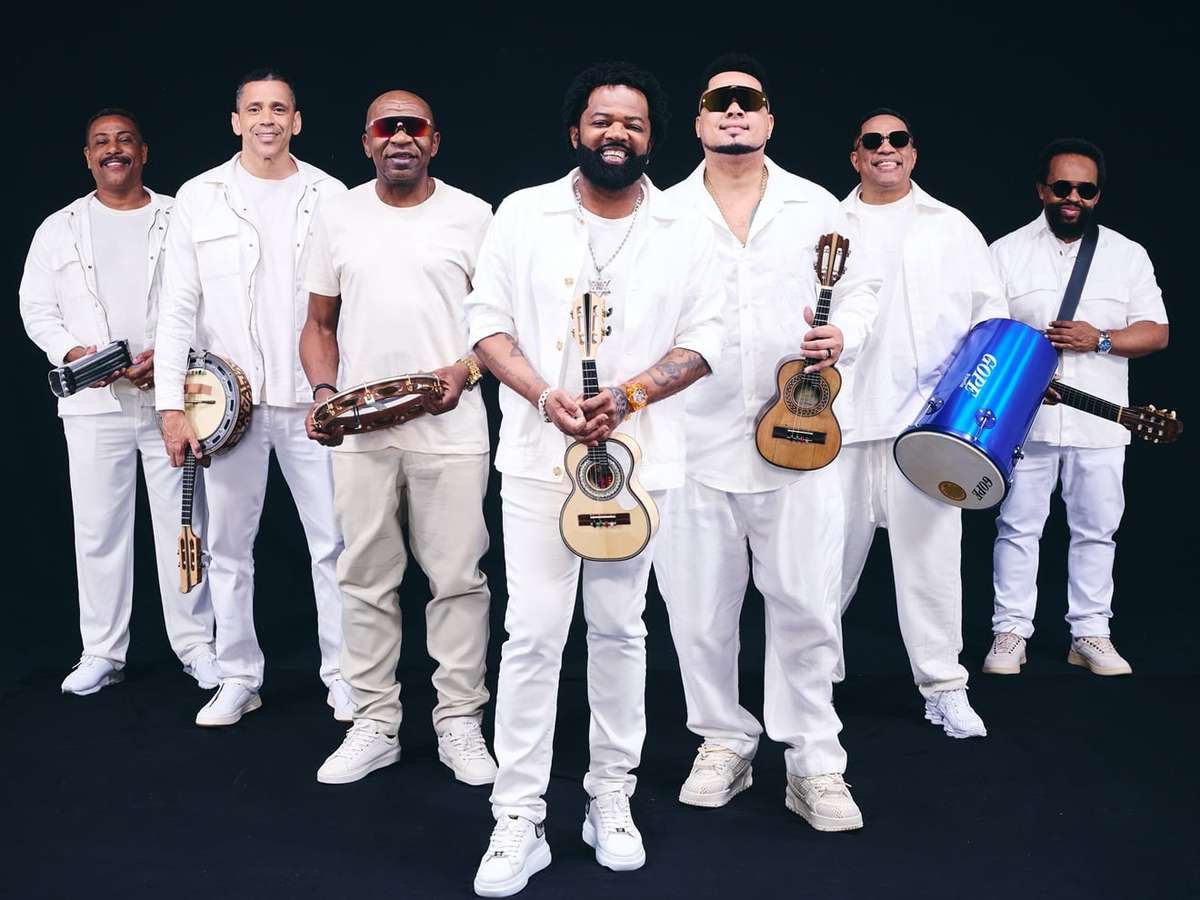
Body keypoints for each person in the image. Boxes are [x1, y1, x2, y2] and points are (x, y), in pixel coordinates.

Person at [465, 61, 723, 897]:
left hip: (637, 466)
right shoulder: (522, 214)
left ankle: (610, 795)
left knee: (619, 632)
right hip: (540, 462)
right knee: (533, 635)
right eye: (603, 120)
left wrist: (631, 395)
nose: (618, 133)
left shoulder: (686, 227)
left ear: (653, 138)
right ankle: (518, 815)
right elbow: (485, 323)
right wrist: (546, 398)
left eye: (634, 123)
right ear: (576, 130)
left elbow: (707, 337)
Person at [654, 54, 879, 830]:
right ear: (698, 121)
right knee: (697, 613)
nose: (734, 111)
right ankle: (723, 739)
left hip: (800, 439)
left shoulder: (816, 206)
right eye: (718, 100)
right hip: (691, 440)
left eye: (748, 100)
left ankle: (814, 760)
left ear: (769, 119)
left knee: (808, 607)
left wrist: (845, 335)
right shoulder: (662, 213)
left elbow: (864, 292)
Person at [299, 90, 497, 786]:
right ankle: (375, 723)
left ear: (434, 141)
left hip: (453, 430)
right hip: (362, 434)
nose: (401, 137)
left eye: (415, 127)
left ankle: (459, 722)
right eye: (388, 127)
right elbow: (318, 324)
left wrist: (466, 371)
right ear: (367, 142)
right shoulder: (338, 214)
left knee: (458, 581)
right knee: (364, 578)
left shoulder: (475, 216)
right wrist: (324, 395)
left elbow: (502, 328)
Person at [154, 69, 349, 727]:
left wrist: (340, 392)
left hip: (312, 399)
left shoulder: (330, 195)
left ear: (297, 121)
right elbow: (177, 308)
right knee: (228, 547)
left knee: (334, 543)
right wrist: (171, 407)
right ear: (237, 121)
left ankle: (344, 677)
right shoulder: (199, 196)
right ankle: (239, 676)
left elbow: (347, 304)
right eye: (255, 109)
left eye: (280, 109)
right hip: (227, 405)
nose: (268, 119)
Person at [20, 108, 217, 696]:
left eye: (125, 140)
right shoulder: (58, 228)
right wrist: (74, 352)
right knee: (98, 530)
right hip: (94, 404)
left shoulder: (178, 217)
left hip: (170, 400)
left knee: (185, 524)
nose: (114, 150)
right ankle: (102, 652)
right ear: (87, 157)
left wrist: (176, 354)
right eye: (101, 142)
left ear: (144, 152)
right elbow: (36, 308)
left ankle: (197, 645)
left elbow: (210, 299)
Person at [839, 108, 1007, 738]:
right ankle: (810, 685)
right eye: (872, 141)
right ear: (856, 156)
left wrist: (972, 412)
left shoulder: (953, 228)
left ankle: (944, 689)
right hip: (841, 427)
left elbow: (991, 321)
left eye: (898, 139)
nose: (886, 148)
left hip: (930, 430)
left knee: (932, 568)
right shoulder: (828, 225)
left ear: (912, 153)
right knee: (821, 567)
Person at [985, 138, 1168, 677]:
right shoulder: (1004, 253)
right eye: (1062, 187)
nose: (1073, 198)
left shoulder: (1128, 255)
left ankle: (1090, 633)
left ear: (1097, 196)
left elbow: (1157, 332)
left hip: (1102, 422)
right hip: (1025, 420)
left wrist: (1100, 339)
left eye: (1084, 190)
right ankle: (1010, 632)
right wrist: (1020, 373)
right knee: (1017, 527)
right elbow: (984, 331)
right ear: (1042, 190)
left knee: (1096, 530)